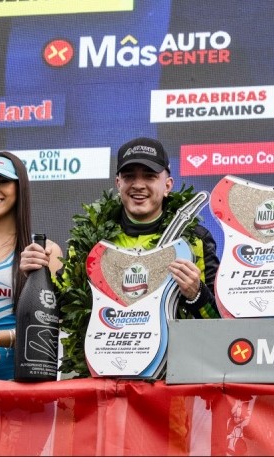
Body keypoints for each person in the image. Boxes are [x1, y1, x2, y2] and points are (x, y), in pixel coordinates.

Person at [57, 138, 219, 377]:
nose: (138, 185)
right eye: (130, 176)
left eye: (150, 176)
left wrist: (197, 294)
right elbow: (62, 309)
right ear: (118, 183)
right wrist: (39, 271)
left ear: (168, 185)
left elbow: (220, 325)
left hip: (169, 383)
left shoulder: (194, 241)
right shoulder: (91, 241)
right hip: (101, 378)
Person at [0, 152, 63, 379]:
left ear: (20, 188)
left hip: (19, 391)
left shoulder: (43, 250)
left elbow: (50, 329)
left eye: (2, 181)